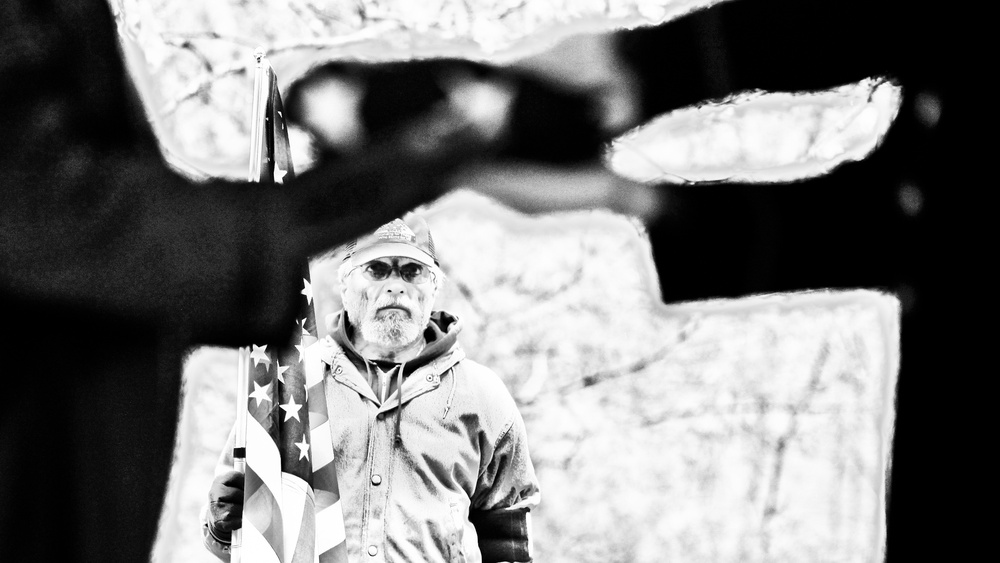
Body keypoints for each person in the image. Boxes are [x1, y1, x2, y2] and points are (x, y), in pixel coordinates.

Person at [204, 214, 540, 562]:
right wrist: (220, 525)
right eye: (377, 270)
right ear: (344, 286)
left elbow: (507, 531)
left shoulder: (482, 395)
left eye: (413, 272)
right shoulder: (291, 384)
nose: (395, 286)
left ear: (434, 289)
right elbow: (246, 535)